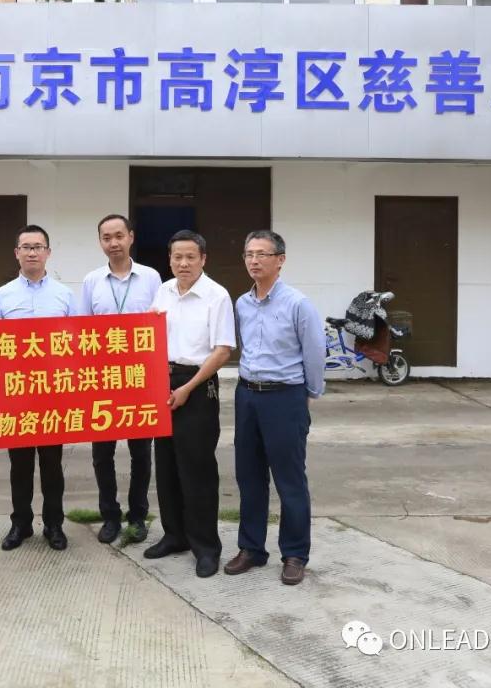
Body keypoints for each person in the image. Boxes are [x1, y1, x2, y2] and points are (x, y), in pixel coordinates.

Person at [225, 230, 324, 586]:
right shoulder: (241, 303)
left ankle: (295, 553)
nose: (254, 260)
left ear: (280, 260)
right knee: (249, 476)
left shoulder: (298, 304)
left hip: (285, 397)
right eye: (249, 253)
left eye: (262, 254)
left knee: (289, 479)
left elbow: (314, 353)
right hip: (247, 395)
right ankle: (251, 548)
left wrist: (308, 395)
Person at [145, 230, 235, 578]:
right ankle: (174, 535)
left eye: (190, 257)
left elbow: (223, 350)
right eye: (177, 257)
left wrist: (188, 387)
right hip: (161, 383)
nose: (183, 263)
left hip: (197, 386)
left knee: (196, 470)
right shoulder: (163, 291)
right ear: (169, 259)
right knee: (165, 464)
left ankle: (206, 547)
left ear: (203, 259)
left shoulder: (217, 296)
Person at [0, 224, 74, 552]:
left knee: (53, 465)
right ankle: (20, 523)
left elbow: (78, 345)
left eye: (38, 247)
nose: (32, 252)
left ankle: (54, 524)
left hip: (53, 393)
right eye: (26, 247)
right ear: (16, 253)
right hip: (17, 395)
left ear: (48, 253)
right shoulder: (3, 294)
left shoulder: (65, 295)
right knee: (20, 465)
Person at [77, 214, 161, 545]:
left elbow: (161, 325)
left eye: (118, 236)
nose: (113, 243)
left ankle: (138, 516)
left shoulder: (152, 278)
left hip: (141, 378)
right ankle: (110, 515)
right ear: (100, 242)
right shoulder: (91, 281)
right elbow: (83, 330)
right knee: (103, 454)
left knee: (141, 453)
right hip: (103, 379)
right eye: (106, 237)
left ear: (130, 237)